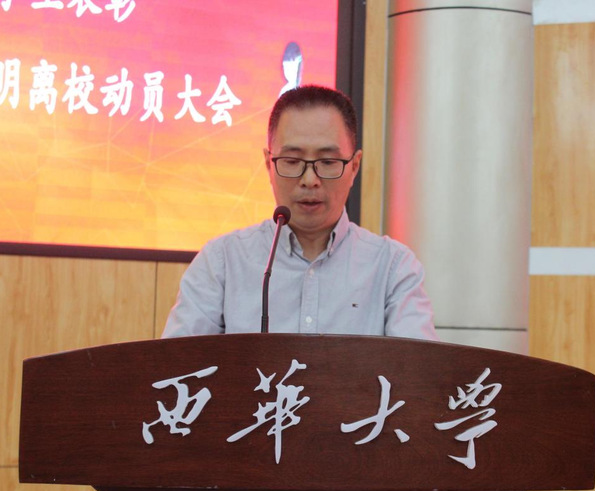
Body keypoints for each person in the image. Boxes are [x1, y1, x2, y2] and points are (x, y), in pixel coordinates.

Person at [162, 85, 437, 341]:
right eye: (292, 161)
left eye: (327, 161)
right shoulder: (221, 262)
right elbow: (178, 368)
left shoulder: (392, 268)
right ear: (269, 164)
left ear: (354, 167)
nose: (309, 180)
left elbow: (417, 371)